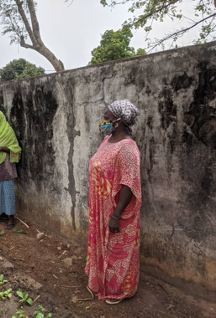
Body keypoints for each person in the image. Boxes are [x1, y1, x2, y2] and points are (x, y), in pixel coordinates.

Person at [85, 100, 142, 305]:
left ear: (118, 122)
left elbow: (129, 183)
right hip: (101, 207)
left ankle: (119, 291)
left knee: (117, 251)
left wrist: (116, 215)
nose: (104, 122)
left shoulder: (127, 148)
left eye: (107, 119)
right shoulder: (107, 140)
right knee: (105, 247)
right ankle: (101, 283)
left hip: (117, 210)